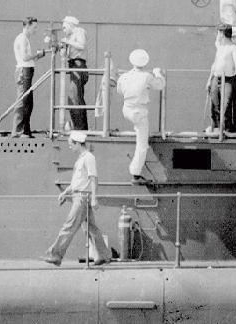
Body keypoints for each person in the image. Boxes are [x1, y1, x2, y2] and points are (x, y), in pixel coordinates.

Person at [43, 131, 111, 266]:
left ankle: (55, 255)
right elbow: (77, 181)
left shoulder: (88, 158)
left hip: (82, 198)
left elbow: (93, 178)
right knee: (91, 229)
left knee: (69, 226)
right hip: (79, 195)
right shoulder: (81, 158)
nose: (70, 147)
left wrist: (94, 198)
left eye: (71, 145)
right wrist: (66, 192)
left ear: (78, 144)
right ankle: (104, 255)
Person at [117, 49, 165, 184]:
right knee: (142, 144)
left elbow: (119, 91)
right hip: (139, 112)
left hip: (126, 109)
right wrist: (157, 73)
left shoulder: (124, 76)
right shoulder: (147, 76)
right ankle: (136, 174)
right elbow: (160, 85)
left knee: (137, 128)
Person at [11, 17, 45, 138]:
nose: (35, 30)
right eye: (34, 27)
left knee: (28, 102)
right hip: (24, 71)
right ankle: (19, 131)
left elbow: (27, 57)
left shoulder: (24, 39)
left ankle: (25, 130)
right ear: (28, 25)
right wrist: (37, 54)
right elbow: (25, 57)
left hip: (26, 70)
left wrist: (38, 55)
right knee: (23, 100)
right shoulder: (22, 39)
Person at [206, 23, 236, 132]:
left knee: (225, 105)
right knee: (215, 104)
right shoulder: (220, 47)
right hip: (216, 78)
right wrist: (209, 80)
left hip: (227, 80)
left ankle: (225, 129)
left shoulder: (233, 47)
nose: (218, 35)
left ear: (223, 33)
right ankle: (217, 128)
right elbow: (215, 64)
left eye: (219, 32)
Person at [61, 16, 88, 130]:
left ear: (70, 25)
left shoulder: (79, 31)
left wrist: (68, 41)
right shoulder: (69, 37)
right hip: (72, 65)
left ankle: (79, 127)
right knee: (75, 97)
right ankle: (79, 126)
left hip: (79, 64)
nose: (63, 30)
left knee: (74, 96)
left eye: (64, 27)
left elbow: (81, 45)